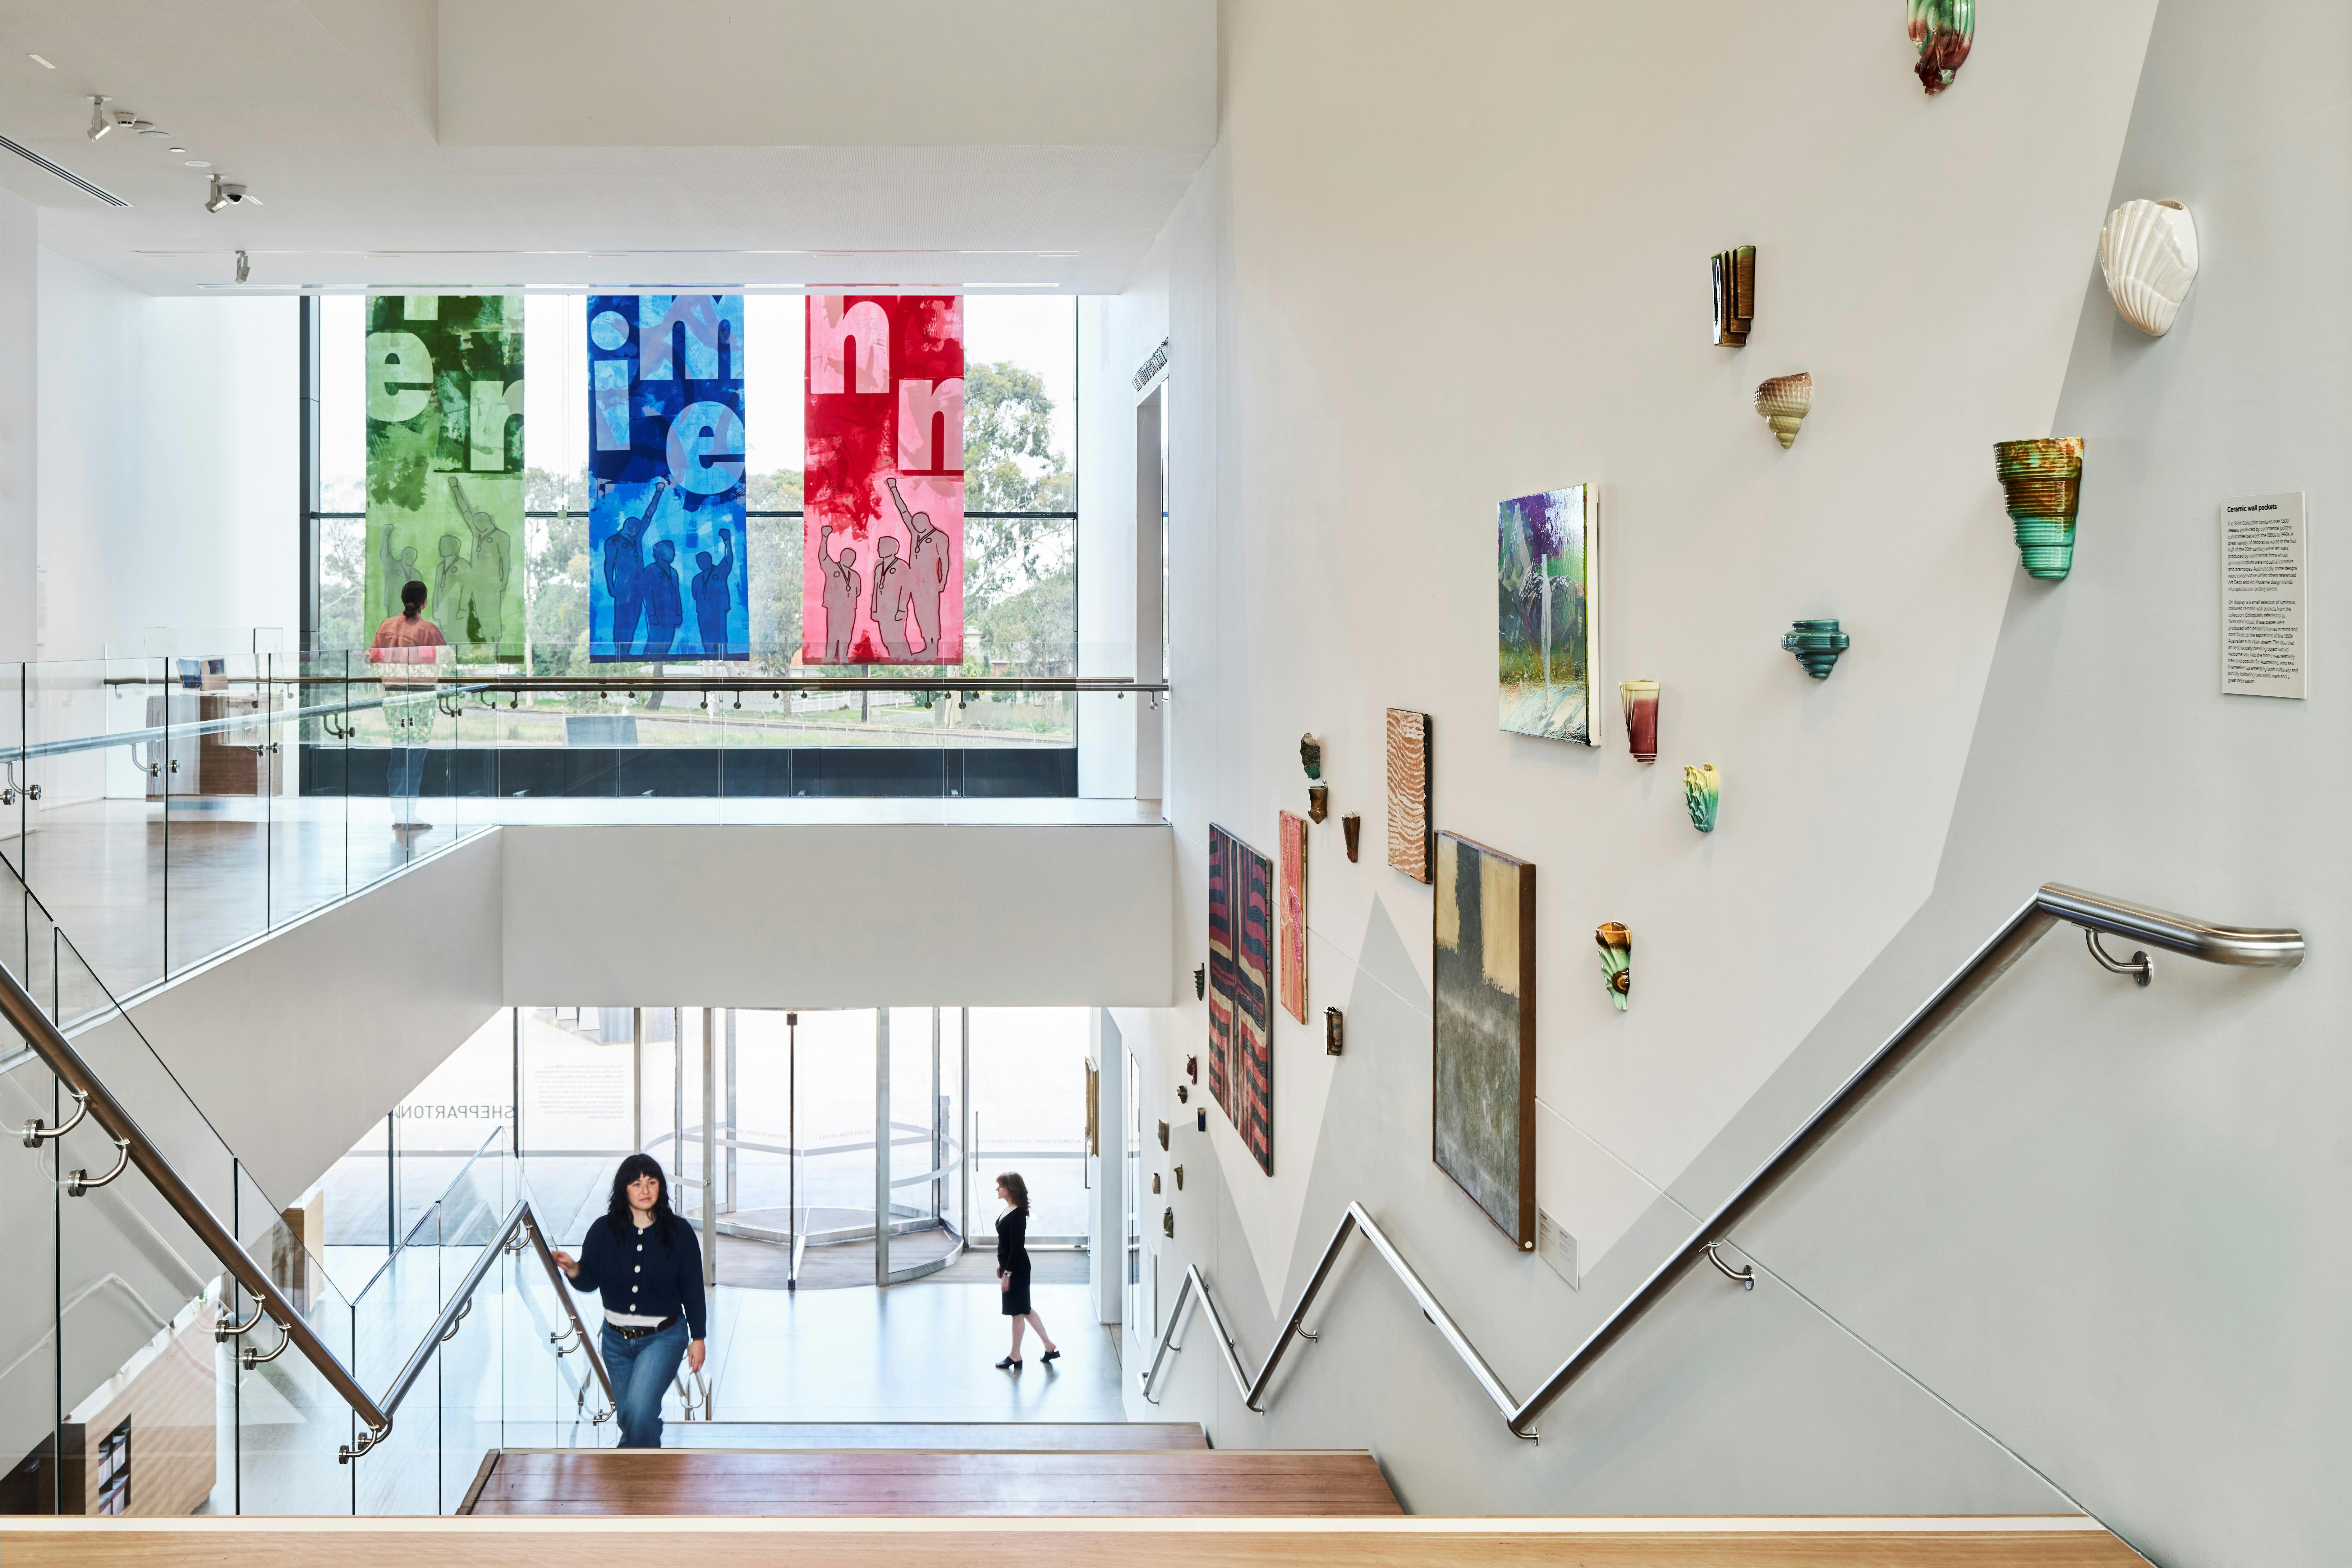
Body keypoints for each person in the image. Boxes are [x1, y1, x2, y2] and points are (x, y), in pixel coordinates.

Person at [551, 1153, 708, 1450]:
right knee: (630, 1418)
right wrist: (574, 1269)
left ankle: (629, 1481)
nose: (646, 1190)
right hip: (615, 1342)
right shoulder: (603, 1231)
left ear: (661, 1187)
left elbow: (693, 1290)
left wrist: (698, 1337)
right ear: (624, 1190)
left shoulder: (680, 1233)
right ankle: (646, 1472)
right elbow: (590, 1281)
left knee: (639, 1410)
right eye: (637, 1184)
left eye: (652, 1182)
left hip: (664, 1338)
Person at [367, 580, 445, 837]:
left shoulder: (386, 626)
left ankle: (400, 814)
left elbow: (374, 658)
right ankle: (408, 815)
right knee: (416, 756)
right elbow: (446, 660)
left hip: (393, 697)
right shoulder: (429, 630)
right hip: (421, 698)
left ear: (403, 600)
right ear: (425, 602)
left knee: (399, 753)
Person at [994, 1172, 1058, 1371]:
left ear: (1011, 1189)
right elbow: (1006, 1243)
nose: (997, 1189)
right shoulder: (1009, 1209)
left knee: (1017, 1312)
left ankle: (1016, 1355)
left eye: (1000, 1186)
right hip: (1011, 1266)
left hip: (1017, 1269)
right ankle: (1049, 1346)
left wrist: (1008, 1273)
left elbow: (1017, 1247)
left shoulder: (1019, 1214)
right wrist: (1002, 1265)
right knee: (1024, 1309)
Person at [603, 477, 667, 657]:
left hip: (639, 589)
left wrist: (658, 493)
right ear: (627, 527)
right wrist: (611, 587)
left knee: (633, 620)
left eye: (638, 530)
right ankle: (619, 653)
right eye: (633, 529)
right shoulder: (613, 542)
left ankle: (627, 652)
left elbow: (649, 515)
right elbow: (608, 565)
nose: (636, 532)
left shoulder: (637, 538)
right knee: (622, 621)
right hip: (623, 589)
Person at [888, 477, 951, 658]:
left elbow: (945, 561)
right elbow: (904, 511)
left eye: (918, 525)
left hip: (930, 582)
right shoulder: (916, 533)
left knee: (931, 614)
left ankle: (933, 648)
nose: (916, 527)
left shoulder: (940, 537)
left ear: (927, 522)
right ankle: (927, 646)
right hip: (914, 581)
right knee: (920, 613)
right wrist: (894, 489)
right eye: (914, 525)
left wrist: (942, 582)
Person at [817, 523, 860, 663]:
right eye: (848, 557)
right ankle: (830, 657)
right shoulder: (832, 568)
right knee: (833, 633)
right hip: (835, 607)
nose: (851, 560)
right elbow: (823, 557)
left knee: (847, 634)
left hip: (849, 609)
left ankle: (843, 657)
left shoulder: (855, 576)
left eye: (853, 558)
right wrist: (825, 537)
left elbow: (858, 592)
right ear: (842, 556)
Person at [691, 527, 735, 658]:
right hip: (704, 614)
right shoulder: (697, 579)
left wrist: (727, 541)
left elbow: (729, 557)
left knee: (721, 638)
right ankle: (710, 659)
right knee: (707, 640)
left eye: (703, 561)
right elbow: (695, 596)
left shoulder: (720, 570)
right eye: (699, 562)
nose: (701, 564)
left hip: (718, 612)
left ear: (709, 560)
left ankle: (723, 658)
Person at [870, 534, 914, 660]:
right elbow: (876, 589)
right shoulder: (878, 566)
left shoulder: (902, 566)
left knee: (898, 639)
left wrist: (901, 610)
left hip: (895, 610)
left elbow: (905, 590)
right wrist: (874, 610)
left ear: (891, 549)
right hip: (882, 610)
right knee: (887, 640)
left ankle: (906, 662)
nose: (878, 550)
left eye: (881, 547)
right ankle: (896, 660)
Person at [641, 538, 684, 658]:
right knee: (655, 643)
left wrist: (679, 614)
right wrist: (652, 615)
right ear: (661, 553)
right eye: (671, 551)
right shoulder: (651, 570)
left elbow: (677, 594)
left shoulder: (674, 572)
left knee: (667, 643)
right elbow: (647, 595)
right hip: (658, 615)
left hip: (672, 615)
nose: (674, 553)